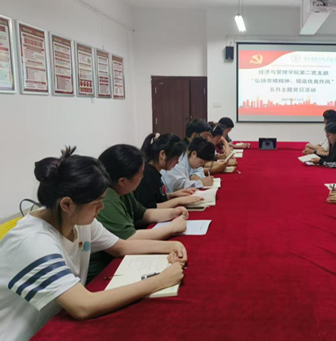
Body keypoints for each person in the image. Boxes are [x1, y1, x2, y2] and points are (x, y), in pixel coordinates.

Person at [0, 148, 186, 341]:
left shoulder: (77, 220)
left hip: (56, 322)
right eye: (97, 203)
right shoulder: (33, 242)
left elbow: (120, 247)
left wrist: (170, 247)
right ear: (67, 204)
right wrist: (160, 281)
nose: (102, 208)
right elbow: (83, 306)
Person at [89, 145, 193, 280]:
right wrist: (172, 228)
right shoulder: (106, 199)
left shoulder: (123, 190)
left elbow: (143, 213)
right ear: (123, 181)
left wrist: (173, 212)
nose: (142, 177)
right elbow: (129, 239)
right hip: (102, 270)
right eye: (140, 174)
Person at [134, 133, 203, 209]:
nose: (177, 162)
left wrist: (173, 195)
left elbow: (158, 197)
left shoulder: (154, 171)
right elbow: (149, 208)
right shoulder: (146, 174)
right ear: (162, 154)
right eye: (176, 158)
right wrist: (179, 200)